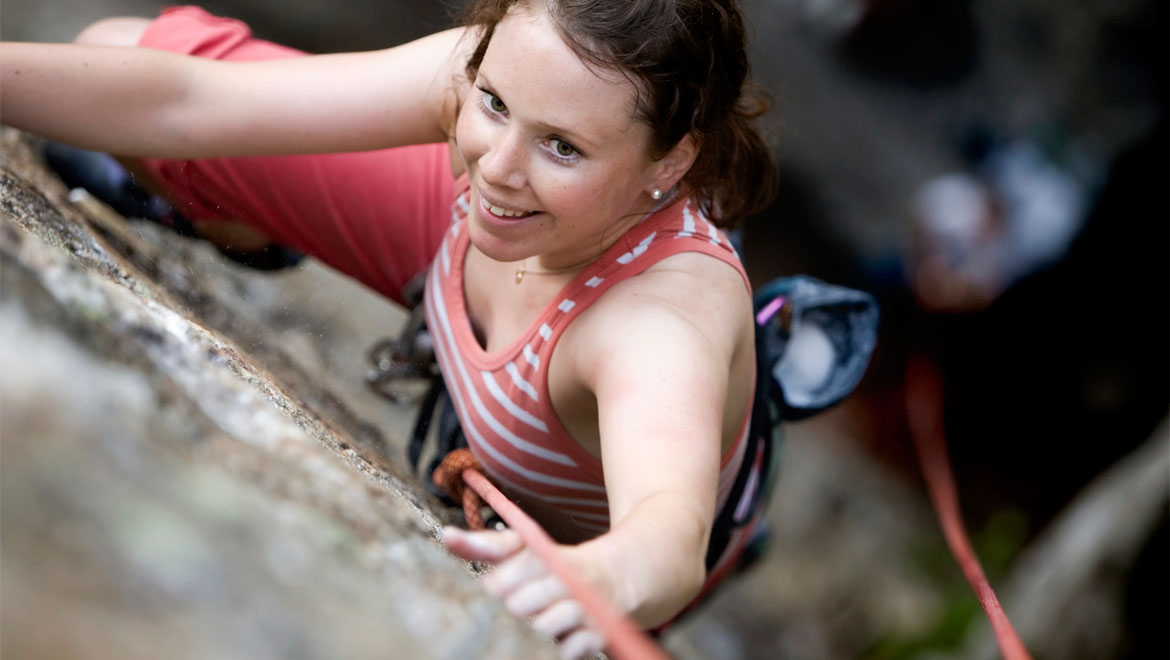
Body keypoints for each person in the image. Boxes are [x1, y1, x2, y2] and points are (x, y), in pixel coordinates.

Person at [1, 1, 776, 656]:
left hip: (573, 350)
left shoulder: (657, 322)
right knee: (115, 51)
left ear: (673, 163)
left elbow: (666, 537)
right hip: (476, 244)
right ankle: (235, 219)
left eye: (563, 146)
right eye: (494, 103)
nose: (495, 165)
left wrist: (608, 574)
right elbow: (186, 98)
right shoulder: (511, 99)